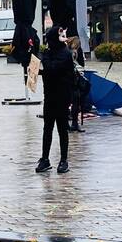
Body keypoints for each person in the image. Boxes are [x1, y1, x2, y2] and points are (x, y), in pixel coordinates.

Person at [36, 26, 76, 174]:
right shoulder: (48, 52)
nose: (64, 38)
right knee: (47, 128)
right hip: (50, 96)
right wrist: (36, 71)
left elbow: (53, 69)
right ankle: (45, 159)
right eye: (61, 36)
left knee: (62, 129)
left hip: (62, 97)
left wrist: (43, 62)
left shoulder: (64, 53)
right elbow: (48, 71)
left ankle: (63, 160)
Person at [67, 36, 86, 132]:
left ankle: (74, 123)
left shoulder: (75, 51)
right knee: (72, 101)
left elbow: (81, 65)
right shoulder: (69, 52)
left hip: (74, 80)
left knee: (75, 102)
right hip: (70, 80)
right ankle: (71, 124)